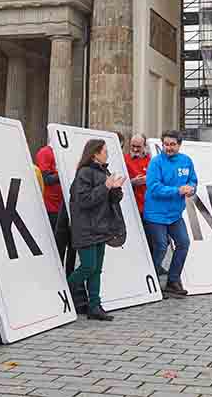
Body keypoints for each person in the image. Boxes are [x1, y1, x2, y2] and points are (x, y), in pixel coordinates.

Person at [67, 139, 126, 321]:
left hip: (101, 227)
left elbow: (112, 200)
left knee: (96, 270)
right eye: (104, 151)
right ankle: (63, 290)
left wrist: (116, 190)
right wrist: (106, 187)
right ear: (94, 153)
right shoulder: (84, 173)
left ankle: (95, 306)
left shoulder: (104, 171)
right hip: (86, 228)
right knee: (88, 266)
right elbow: (84, 200)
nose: (107, 154)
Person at [143, 130, 197, 299]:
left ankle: (173, 281)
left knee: (183, 243)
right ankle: (151, 281)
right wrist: (178, 190)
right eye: (166, 144)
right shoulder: (156, 162)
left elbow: (193, 180)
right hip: (155, 214)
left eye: (172, 144)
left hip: (174, 214)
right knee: (160, 246)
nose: (169, 147)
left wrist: (191, 189)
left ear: (179, 145)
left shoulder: (186, 161)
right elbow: (154, 187)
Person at [34, 145, 64, 231]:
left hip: (62, 205)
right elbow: (46, 179)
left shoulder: (63, 152)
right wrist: (64, 173)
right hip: (51, 206)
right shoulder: (45, 152)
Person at [124, 134, 151, 215]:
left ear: (145, 146)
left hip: (148, 206)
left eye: (138, 146)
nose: (135, 149)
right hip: (131, 206)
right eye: (133, 146)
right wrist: (132, 182)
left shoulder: (151, 160)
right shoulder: (124, 159)